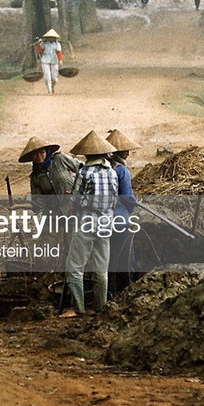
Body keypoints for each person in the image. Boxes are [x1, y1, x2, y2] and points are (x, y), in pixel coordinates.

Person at [60, 130, 119, 317]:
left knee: (75, 266)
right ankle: (101, 307)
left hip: (87, 220)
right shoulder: (112, 172)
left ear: (88, 154)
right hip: (106, 221)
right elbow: (115, 199)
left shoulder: (85, 171)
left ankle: (79, 307)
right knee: (102, 268)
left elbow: (76, 200)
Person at [105, 129, 140, 291]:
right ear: (119, 151)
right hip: (120, 219)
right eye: (126, 149)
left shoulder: (104, 166)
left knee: (108, 258)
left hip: (103, 219)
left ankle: (110, 291)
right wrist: (134, 205)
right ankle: (127, 289)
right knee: (126, 257)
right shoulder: (121, 170)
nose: (128, 153)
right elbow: (126, 196)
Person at [33, 29, 63, 94]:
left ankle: (52, 87)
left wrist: (60, 60)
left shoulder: (57, 44)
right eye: (50, 37)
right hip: (45, 60)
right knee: (47, 76)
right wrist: (38, 44)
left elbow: (59, 52)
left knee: (54, 78)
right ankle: (49, 90)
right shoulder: (44, 44)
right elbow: (40, 51)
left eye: (52, 37)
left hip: (54, 60)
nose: (51, 38)